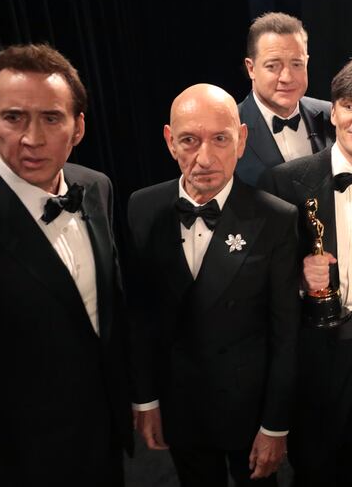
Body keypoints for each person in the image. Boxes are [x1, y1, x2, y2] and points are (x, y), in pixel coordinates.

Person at [0, 43, 132, 486]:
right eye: (13, 117)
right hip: (19, 460)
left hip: (103, 442)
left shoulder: (95, 187)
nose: (32, 138)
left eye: (51, 117)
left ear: (78, 127)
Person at [128, 83, 300, 487]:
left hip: (248, 405)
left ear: (241, 140)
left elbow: (285, 333)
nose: (205, 158)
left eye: (220, 139)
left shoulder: (275, 218)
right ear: (170, 142)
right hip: (180, 402)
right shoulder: (142, 206)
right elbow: (140, 316)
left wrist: (275, 425)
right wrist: (146, 398)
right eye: (189, 140)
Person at [260, 55, 352, 487]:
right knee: (314, 466)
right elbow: (260, 281)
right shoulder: (285, 181)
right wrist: (298, 280)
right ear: (334, 111)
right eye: (350, 104)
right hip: (315, 349)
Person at [237, 11, 334, 186]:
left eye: (296, 64)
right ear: (251, 68)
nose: (287, 77)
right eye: (273, 66)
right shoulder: (229, 128)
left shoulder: (333, 116)